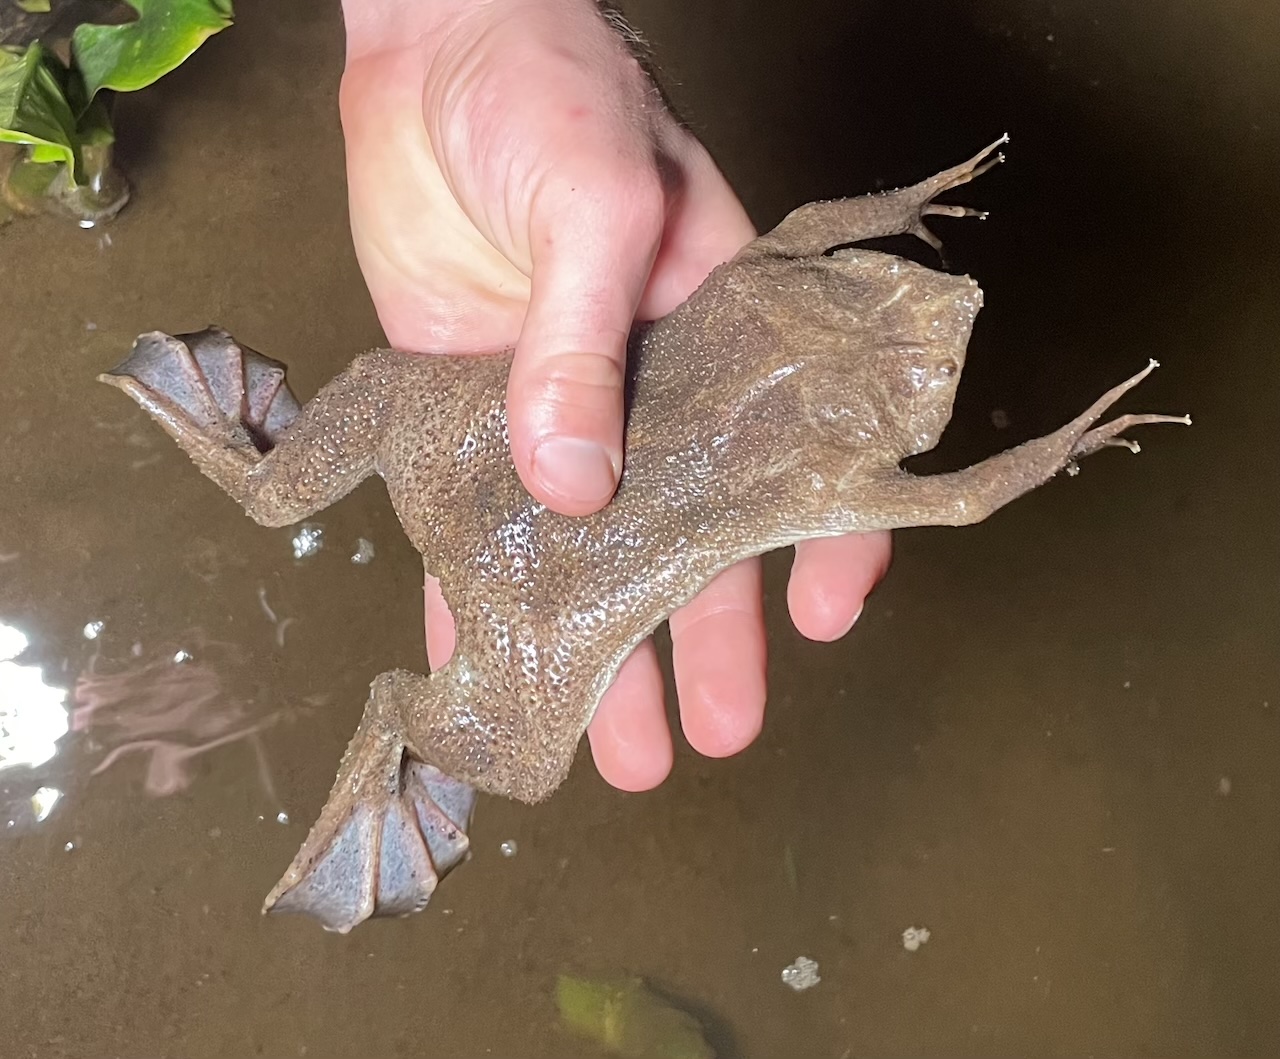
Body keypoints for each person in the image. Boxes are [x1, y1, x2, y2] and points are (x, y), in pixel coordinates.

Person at [339, 0, 892, 792]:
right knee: (528, 755)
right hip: (507, 475)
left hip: (552, 498)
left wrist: (433, 26)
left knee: (531, 754)